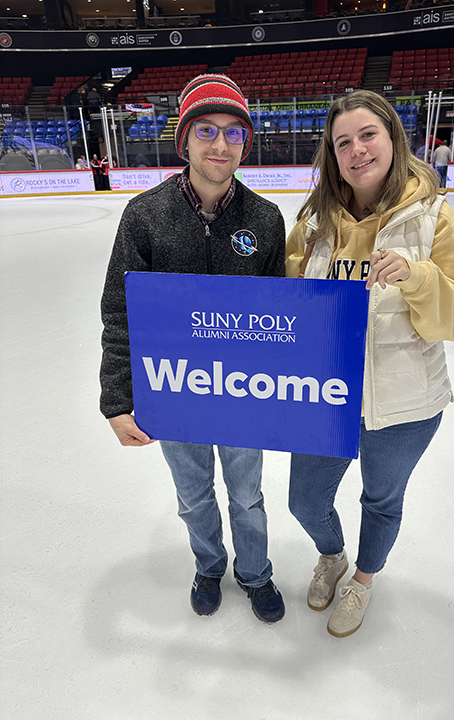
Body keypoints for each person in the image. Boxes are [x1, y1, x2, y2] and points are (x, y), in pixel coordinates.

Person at [285, 90, 454, 638]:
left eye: (367, 134)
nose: (357, 150)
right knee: (303, 499)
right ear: (331, 155)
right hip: (328, 398)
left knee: (381, 499)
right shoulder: (311, 226)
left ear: (393, 137)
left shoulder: (434, 218)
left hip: (405, 402)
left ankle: (363, 581)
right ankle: (332, 556)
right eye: (342, 142)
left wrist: (417, 277)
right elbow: (286, 315)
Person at [100, 74, 287, 624]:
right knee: (194, 494)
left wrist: (282, 387)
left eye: (233, 133)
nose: (219, 144)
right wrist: (117, 399)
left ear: (245, 144)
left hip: (240, 393)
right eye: (206, 130)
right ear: (185, 139)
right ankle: (209, 565)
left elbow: (280, 317)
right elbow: (120, 310)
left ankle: (255, 574)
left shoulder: (265, 220)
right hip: (173, 391)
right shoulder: (144, 214)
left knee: (247, 495)